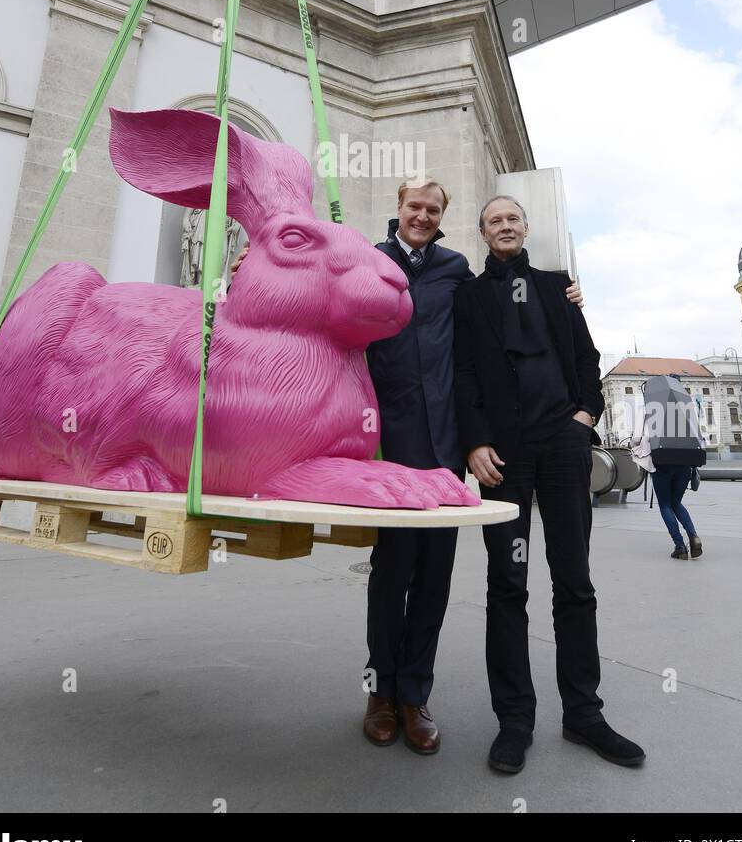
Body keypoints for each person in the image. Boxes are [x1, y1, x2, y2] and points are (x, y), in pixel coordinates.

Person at [232, 184, 583, 756]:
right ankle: (380, 691)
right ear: (399, 209)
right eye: (414, 207)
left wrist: (560, 293)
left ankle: (416, 695)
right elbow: (304, 289)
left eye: (434, 209)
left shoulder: (456, 270)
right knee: (391, 569)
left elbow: (497, 309)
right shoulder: (365, 258)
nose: (422, 216)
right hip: (386, 439)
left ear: (443, 217)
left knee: (435, 575)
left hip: (445, 445)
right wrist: (249, 263)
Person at [454, 196, 645, 775]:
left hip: (563, 447)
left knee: (574, 582)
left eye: (513, 218)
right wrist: (474, 441)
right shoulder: (470, 295)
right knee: (507, 585)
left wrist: (587, 413)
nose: (506, 227)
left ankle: (584, 713)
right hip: (503, 455)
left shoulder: (558, 287)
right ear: (483, 233)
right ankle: (515, 719)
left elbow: (585, 355)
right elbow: (462, 370)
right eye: (494, 221)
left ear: (525, 227)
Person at [631, 374, 703, 559]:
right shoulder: (687, 405)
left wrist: (634, 445)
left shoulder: (647, 407)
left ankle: (680, 546)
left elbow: (636, 439)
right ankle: (693, 535)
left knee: (665, 505)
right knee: (676, 502)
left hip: (662, 462)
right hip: (686, 462)